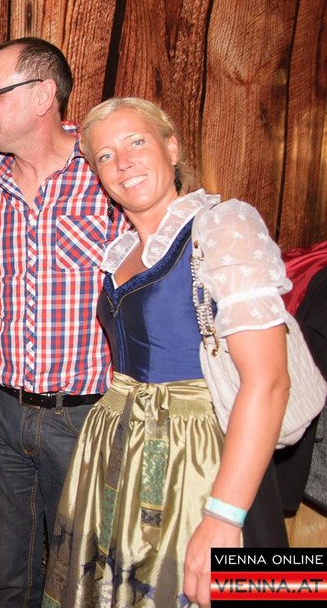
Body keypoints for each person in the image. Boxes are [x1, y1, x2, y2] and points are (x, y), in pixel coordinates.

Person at [43, 97, 290, 608]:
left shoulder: (224, 227)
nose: (123, 163)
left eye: (137, 142)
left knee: (212, 588)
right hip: (121, 456)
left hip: (202, 457)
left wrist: (223, 517)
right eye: (105, 156)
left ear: (171, 147)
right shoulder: (121, 251)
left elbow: (268, 382)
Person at [0, 37, 117, 606]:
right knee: (8, 582)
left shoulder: (107, 171)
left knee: (86, 584)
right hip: (0, 412)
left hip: (84, 419)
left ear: (42, 96)